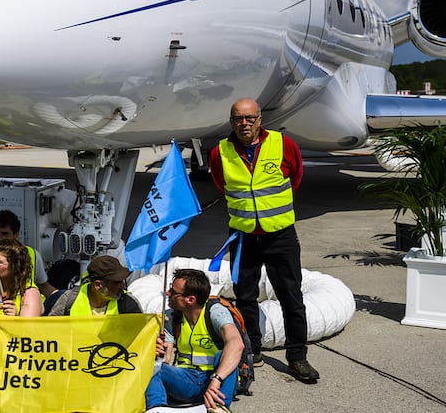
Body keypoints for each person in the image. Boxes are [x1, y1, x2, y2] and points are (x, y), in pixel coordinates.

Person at [208, 98, 319, 382]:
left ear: (259, 119)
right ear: (231, 121)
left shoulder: (283, 144)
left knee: (291, 298)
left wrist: (270, 214)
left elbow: (295, 177)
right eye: (237, 119)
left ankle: (297, 357)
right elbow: (222, 184)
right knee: (245, 297)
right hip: (244, 237)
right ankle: (252, 350)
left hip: (280, 236)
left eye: (249, 118)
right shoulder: (220, 152)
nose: (243, 124)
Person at [145, 269, 243, 412]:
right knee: (152, 366)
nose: (168, 294)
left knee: (223, 353)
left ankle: (219, 408)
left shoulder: (215, 312)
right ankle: (158, 408)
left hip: (216, 383)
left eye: (173, 292)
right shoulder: (172, 317)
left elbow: (237, 344)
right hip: (187, 381)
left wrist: (216, 379)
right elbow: (165, 360)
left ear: (190, 299)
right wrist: (156, 352)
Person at [46, 255, 142, 316]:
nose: (123, 286)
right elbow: (51, 333)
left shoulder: (128, 303)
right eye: (116, 282)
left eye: (122, 281)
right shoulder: (69, 300)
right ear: (97, 285)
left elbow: (142, 335)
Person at [0, 210, 56, 297]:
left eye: (5, 234)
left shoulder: (32, 254)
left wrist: (60, 297)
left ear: (16, 234)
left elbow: (43, 286)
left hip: (26, 306)